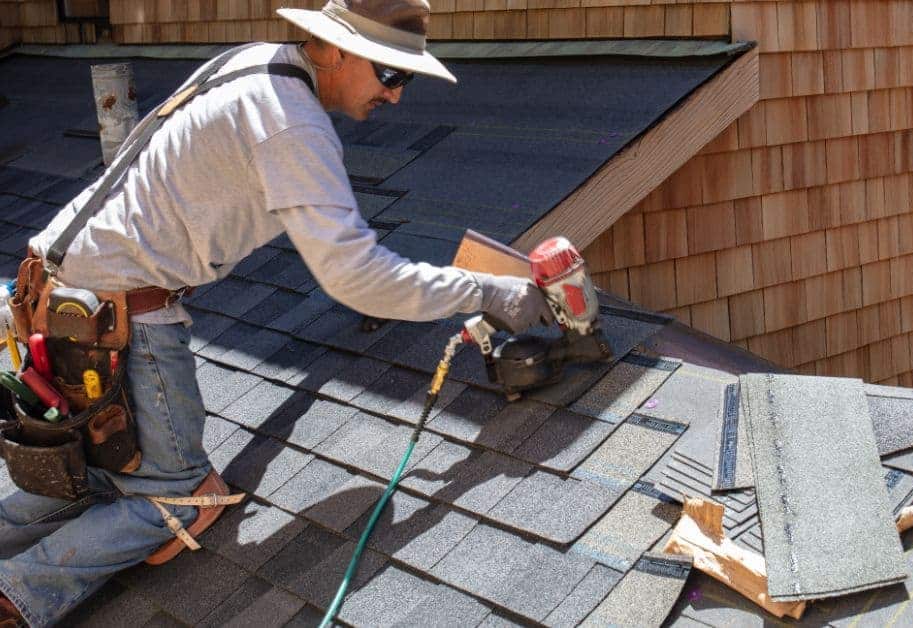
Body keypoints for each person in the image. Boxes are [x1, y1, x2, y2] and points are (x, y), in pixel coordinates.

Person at [0, 1, 552, 625]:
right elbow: (358, 277)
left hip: (54, 293)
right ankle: (15, 592)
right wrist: (492, 293)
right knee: (183, 497)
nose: (397, 97)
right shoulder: (292, 124)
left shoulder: (257, 63)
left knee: (96, 478)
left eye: (408, 78)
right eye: (391, 74)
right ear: (336, 49)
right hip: (114, 315)